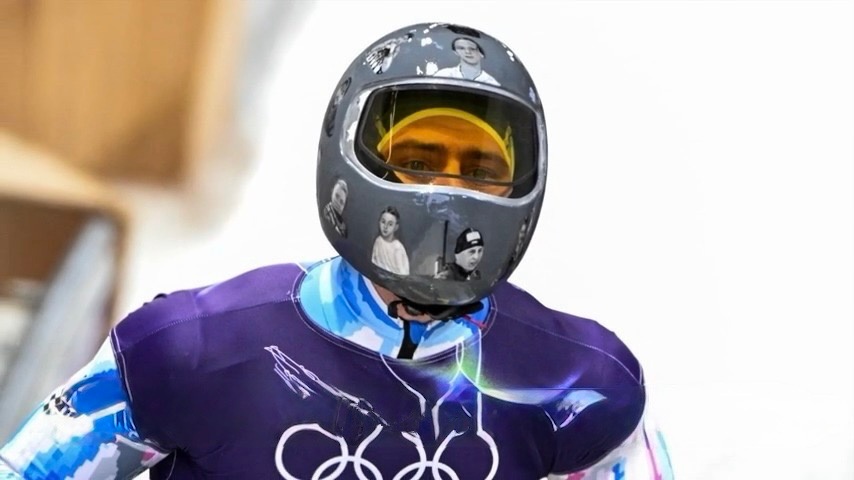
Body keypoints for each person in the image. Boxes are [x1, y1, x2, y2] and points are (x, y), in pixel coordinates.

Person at [0, 23, 674, 479]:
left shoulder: (583, 386)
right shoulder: (188, 350)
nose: (447, 190)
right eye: (417, 159)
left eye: (479, 168)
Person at [433, 37, 501, 86]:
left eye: (472, 48)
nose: (467, 52)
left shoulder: (491, 84)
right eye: (461, 48)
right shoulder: (443, 75)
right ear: (456, 52)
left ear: (482, 54)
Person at [371, 206, 410, 275]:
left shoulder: (397, 248)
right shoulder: (378, 241)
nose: (385, 227)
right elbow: (374, 261)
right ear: (379, 222)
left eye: (390, 224)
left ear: (396, 227)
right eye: (383, 222)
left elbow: (403, 274)